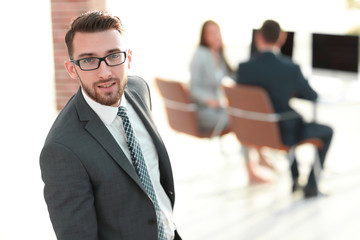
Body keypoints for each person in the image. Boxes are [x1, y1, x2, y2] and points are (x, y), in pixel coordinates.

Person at [40, 11, 181, 240]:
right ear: (71, 69)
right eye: (88, 60)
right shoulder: (61, 149)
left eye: (113, 55)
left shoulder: (139, 90)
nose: (104, 72)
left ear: (129, 57)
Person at [236, 19, 333, 198]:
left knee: (290, 122)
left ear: (258, 37)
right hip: (284, 134)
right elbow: (312, 96)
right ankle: (311, 186)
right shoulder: (290, 68)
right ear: (282, 38)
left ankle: (296, 180)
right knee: (326, 131)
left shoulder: (243, 69)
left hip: (256, 133)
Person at [190, 20, 273, 183]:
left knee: (247, 115)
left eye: (217, 32)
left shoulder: (219, 55)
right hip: (204, 111)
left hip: (220, 109)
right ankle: (252, 170)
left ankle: (261, 154)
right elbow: (192, 88)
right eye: (211, 33)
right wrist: (209, 100)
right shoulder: (200, 55)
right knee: (241, 121)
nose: (216, 36)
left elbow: (233, 78)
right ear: (204, 36)